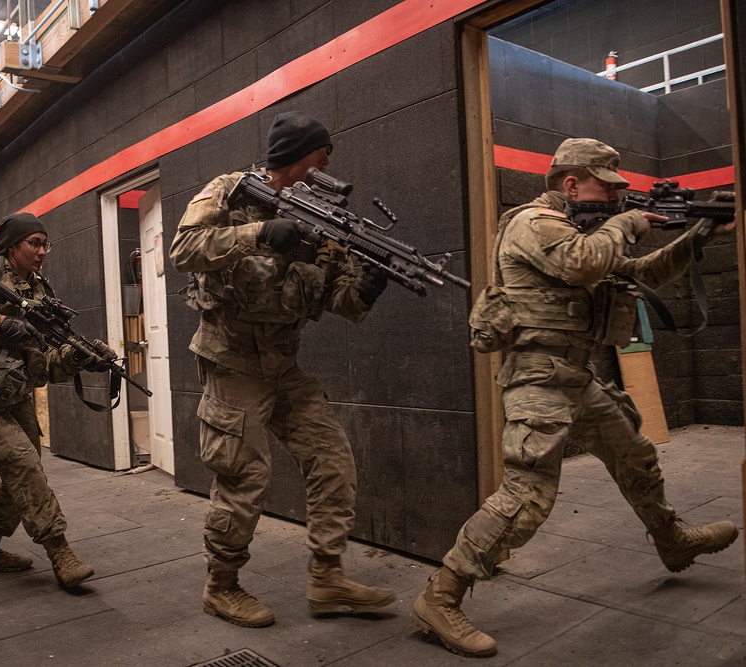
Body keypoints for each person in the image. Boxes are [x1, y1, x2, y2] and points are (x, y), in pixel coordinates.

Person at [412, 138, 740, 658]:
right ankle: (441, 597)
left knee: (634, 453)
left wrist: (697, 236)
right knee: (526, 498)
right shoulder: (533, 224)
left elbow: (642, 273)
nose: (614, 199)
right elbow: (583, 263)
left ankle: (670, 539)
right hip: (538, 379)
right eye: (606, 188)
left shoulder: (585, 231)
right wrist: (627, 222)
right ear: (571, 183)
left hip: (575, 376)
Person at [169, 111, 396, 628]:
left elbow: (339, 300)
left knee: (333, 459)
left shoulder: (324, 217)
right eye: (322, 151)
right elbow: (183, 249)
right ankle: (221, 586)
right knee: (245, 474)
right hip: (232, 364)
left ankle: (327, 578)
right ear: (296, 155)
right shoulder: (231, 192)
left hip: (283, 366)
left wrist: (366, 288)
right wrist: (260, 232)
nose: (329, 160)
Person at [0, 212, 110, 592]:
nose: (43, 251)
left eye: (46, 243)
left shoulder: (38, 291)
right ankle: (60, 552)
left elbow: (42, 362)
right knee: (24, 466)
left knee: (22, 474)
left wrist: (76, 358)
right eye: (34, 243)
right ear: (11, 247)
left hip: (14, 397)